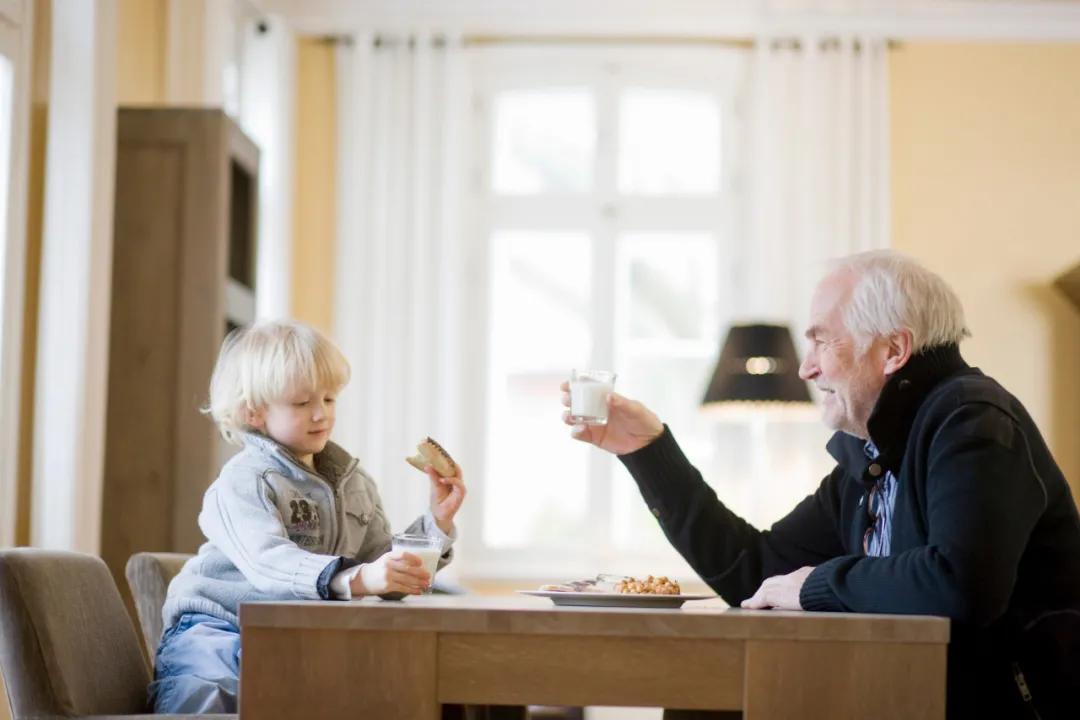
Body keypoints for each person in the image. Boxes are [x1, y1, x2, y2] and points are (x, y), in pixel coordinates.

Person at [563, 251, 1080, 719]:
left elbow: (961, 585)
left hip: (1003, 708)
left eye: (821, 341)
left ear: (894, 349)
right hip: (898, 695)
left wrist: (814, 586)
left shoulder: (971, 420)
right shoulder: (873, 453)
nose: (808, 368)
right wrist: (650, 452)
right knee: (706, 695)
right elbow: (756, 575)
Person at [150, 320, 466, 714]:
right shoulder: (243, 480)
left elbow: (382, 566)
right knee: (208, 696)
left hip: (299, 631)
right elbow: (270, 562)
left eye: (329, 400)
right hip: (220, 627)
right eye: (302, 404)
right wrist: (358, 577)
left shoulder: (355, 483)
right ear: (254, 412)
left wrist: (436, 524)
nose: (321, 415)